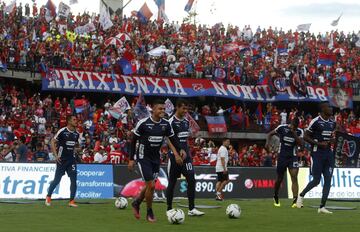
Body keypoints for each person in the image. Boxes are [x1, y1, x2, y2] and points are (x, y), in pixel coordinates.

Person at [128, 99, 183, 223]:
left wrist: (180, 150)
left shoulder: (165, 124)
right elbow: (133, 141)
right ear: (153, 109)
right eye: (160, 109)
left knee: (150, 185)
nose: (163, 111)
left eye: (164, 109)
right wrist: (131, 159)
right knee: (151, 185)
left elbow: (173, 139)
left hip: (155, 158)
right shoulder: (143, 123)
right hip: (143, 157)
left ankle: (136, 203)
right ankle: (149, 212)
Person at [166, 99, 205, 217]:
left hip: (186, 156)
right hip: (174, 157)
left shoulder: (186, 121)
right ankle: (169, 209)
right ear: (177, 108)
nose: (185, 111)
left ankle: (191, 209)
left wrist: (187, 150)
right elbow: (168, 140)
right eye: (183, 108)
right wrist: (177, 154)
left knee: (191, 179)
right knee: (172, 183)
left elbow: (184, 139)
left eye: (186, 108)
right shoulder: (171, 121)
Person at [296, 102, 337, 214]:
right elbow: (305, 136)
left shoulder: (333, 123)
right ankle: (301, 195)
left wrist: (332, 140)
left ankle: (322, 207)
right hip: (317, 153)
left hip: (328, 154)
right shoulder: (315, 121)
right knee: (316, 180)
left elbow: (331, 137)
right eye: (329, 107)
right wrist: (318, 144)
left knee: (328, 179)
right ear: (323, 109)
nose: (331, 108)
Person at [266, 117, 303, 208]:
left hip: (293, 157)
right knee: (279, 179)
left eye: (295, 127)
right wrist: (267, 142)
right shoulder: (282, 128)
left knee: (294, 177)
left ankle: (295, 201)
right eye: (293, 126)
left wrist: (294, 133)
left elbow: (301, 144)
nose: (293, 128)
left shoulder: (299, 131)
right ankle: (275, 196)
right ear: (290, 123)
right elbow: (270, 134)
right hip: (282, 156)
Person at [45, 115, 79, 208]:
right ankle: (48, 196)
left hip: (71, 160)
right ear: (69, 122)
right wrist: (56, 156)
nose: (76, 121)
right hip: (62, 160)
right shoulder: (62, 131)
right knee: (57, 180)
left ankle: (71, 201)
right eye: (74, 120)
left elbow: (75, 145)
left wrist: (76, 150)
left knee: (73, 180)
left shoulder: (76, 134)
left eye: (76, 120)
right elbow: (52, 141)